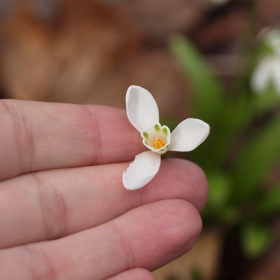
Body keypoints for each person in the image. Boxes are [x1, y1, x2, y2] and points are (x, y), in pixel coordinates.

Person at [0, 99, 208, 280]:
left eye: (160, 143)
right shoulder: (150, 152)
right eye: (156, 142)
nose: (158, 143)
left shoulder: (169, 141)